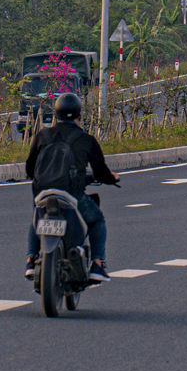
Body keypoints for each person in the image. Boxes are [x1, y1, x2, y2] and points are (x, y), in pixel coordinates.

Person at [23, 92, 119, 284]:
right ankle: (98, 263)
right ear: (79, 115)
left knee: (37, 216)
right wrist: (112, 178)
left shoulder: (43, 135)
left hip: (43, 193)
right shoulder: (86, 139)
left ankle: (31, 260)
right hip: (71, 196)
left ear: (55, 114)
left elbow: (29, 168)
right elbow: (100, 173)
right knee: (97, 219)